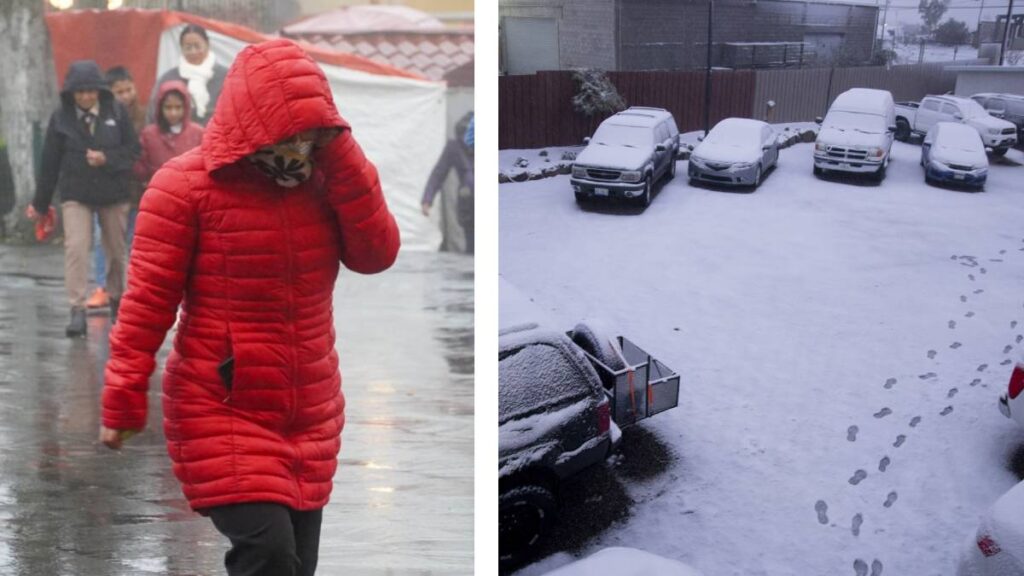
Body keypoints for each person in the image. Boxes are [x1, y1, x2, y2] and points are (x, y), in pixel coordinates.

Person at [100, 39, 400, 576]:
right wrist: (122, 400)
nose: (300, 143)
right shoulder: (183, 188)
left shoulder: (324, 179)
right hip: (221, 408)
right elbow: (146, 305)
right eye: (291, 128)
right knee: (270, 556)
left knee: (295, 565)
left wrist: (341, 152)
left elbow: (376, 254)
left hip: (310, 411)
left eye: (312, 130)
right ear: (251, 118)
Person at [28, 60, 139, 337]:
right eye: (80, 92)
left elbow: (133, 151)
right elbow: (49, 163)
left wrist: (107, 158)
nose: (86, 96)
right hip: (76, 193)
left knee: (116, 250)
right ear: (71, 93)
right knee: (76, 248)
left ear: (99, 90)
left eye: (91, 91)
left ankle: (117, 301)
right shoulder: (61, 118)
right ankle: (77, 309)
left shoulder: (116, 112)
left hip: (113, 193)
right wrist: (40, 204)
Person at [88, 66, 147, 310]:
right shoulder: (101, 117)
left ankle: (130, 286)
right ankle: (103, 286)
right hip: (109, 189)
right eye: (119, 92)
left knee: (132, 240)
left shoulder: (145, 116)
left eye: (128, 89)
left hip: (138, 190)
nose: (126, 96)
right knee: (103, 240)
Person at [148, 24, 228, 126]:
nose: (193, 52)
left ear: (207, 44)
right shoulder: (169, 79)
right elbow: (153, 114)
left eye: (197, 46)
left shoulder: (226, 76)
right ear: (181, 49)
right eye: (188, 47)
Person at [421, 111, 474, 254]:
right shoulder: (454, 147)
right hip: (468, 204)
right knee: (472, 245)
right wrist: (427, 200)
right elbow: (438, 173)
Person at [135, 80, 204, 185]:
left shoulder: (197, 133)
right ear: (160, 108)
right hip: (159, 189)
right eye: (168, 107)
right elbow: (141, 167)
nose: (173, 113)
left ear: (186, 107)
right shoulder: (148, 135)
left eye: (178, 107)